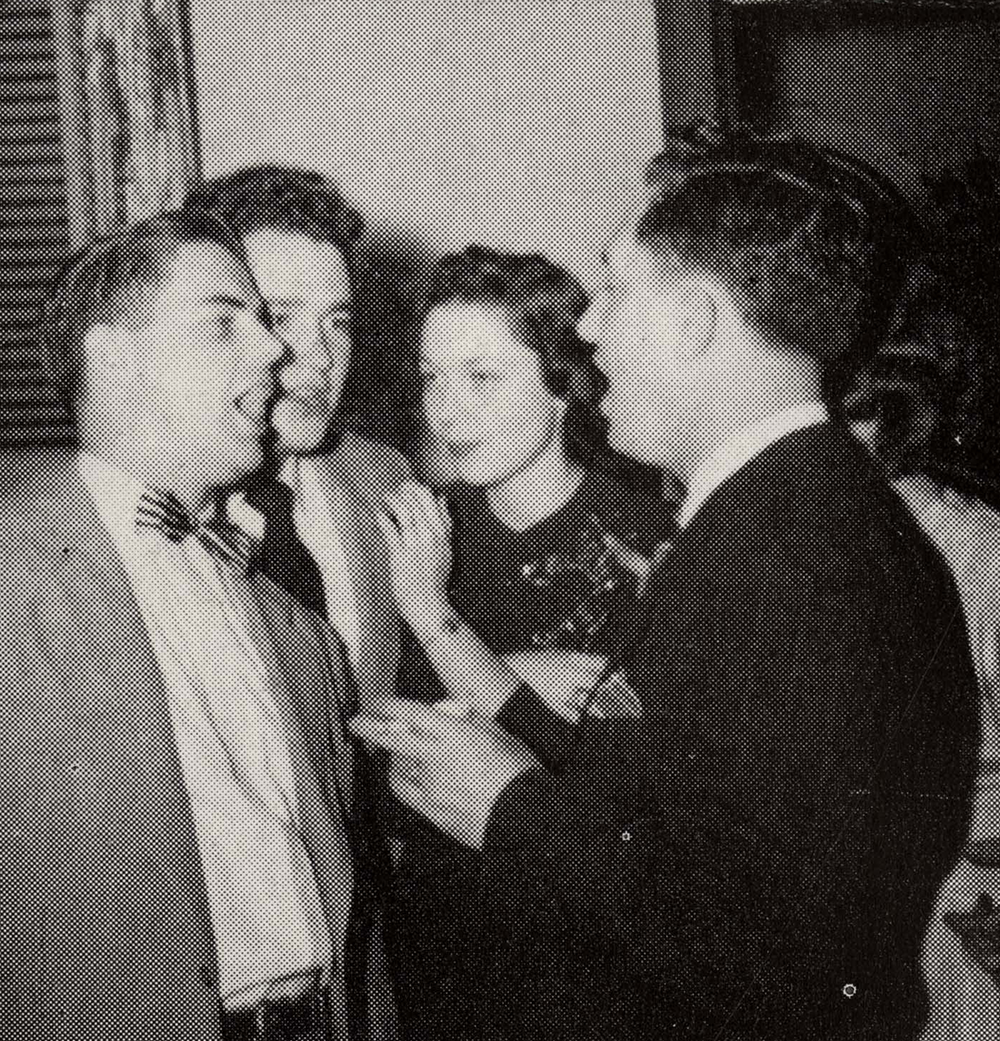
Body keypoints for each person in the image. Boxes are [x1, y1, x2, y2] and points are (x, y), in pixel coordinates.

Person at [353, 137, 980, 1040]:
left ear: (692, 322)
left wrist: (509, 806)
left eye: (615, 288)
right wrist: (507, 740)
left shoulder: (791, 556)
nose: (591, 330)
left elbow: (772, 953)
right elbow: (668, 807)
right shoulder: (781, 516)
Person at [0, 210, 395, 1040]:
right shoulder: (16, 570)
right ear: (115, 358)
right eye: (225, 323)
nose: (275, 349)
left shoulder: (293, 624)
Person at [387, 247, 675, 1036]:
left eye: (481, 377)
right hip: (449, 948)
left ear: (560, 384)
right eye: (432, 377)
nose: (446, 412)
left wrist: (459, 656)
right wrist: (514, 672)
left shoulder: (647, 543)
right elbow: (387, 760)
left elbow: (617, 793)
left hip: (588, 958)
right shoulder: (422, 528)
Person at [185, 166, 411, 708]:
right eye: (279, 318)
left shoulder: (383, 479)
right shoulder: (153, 509)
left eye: (338, 322)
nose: (321, 356)